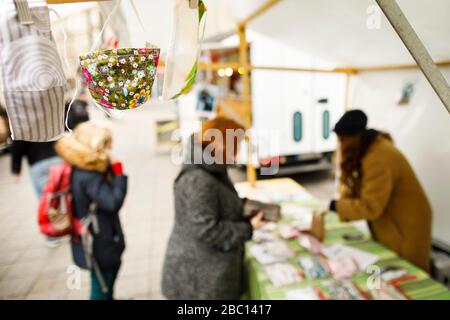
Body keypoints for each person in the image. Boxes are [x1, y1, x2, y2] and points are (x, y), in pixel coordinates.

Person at [162, 117, 266, 300]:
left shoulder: (211, 166)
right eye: (237, 145)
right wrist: (249, 228)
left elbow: (217, 203)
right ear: (223, 144)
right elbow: (207, 230)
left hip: (205, 270)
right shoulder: (199, 179)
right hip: (198, 278)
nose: (238, 152)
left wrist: (244, 208)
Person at [327, 110, 432, 272]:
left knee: (407, 270)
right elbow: (362, 190)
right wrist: (343, 202)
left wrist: (337, 206)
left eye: (343, 139)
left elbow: (371, 206)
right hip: (393, 217)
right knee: (393, 267)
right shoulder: (368, 150)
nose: (341, 144)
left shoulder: (379, 157)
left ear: (355, 137)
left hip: (406, 222)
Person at [55, 122, 127, 300]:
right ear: (94, 146)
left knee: (104, 283)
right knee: (101, 287)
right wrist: (118, 170)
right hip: (98, 242)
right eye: (106, 144)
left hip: (94, 238)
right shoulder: (88, 175)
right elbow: (112, 202)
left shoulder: (80, 165)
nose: (110, 147)